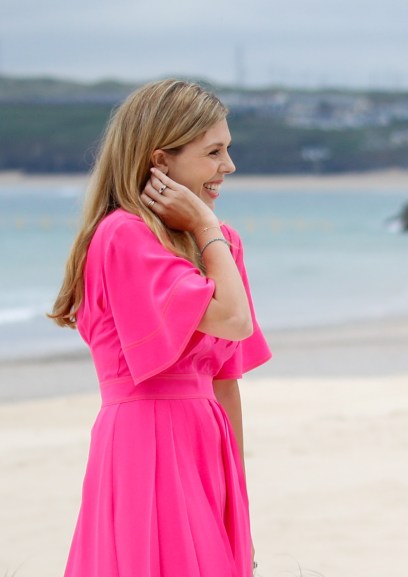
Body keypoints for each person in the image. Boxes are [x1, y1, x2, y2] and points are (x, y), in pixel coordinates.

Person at [50, 79, 271, 577]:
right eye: (214, 152)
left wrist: (239, 504)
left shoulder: (221, 243)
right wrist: (206, 227)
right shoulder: (122, 236)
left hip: (206, 446)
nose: (228, 167)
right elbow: (234, 320)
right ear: (161, 161)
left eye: (228, 150)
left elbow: (225, 382)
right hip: (142, 442)